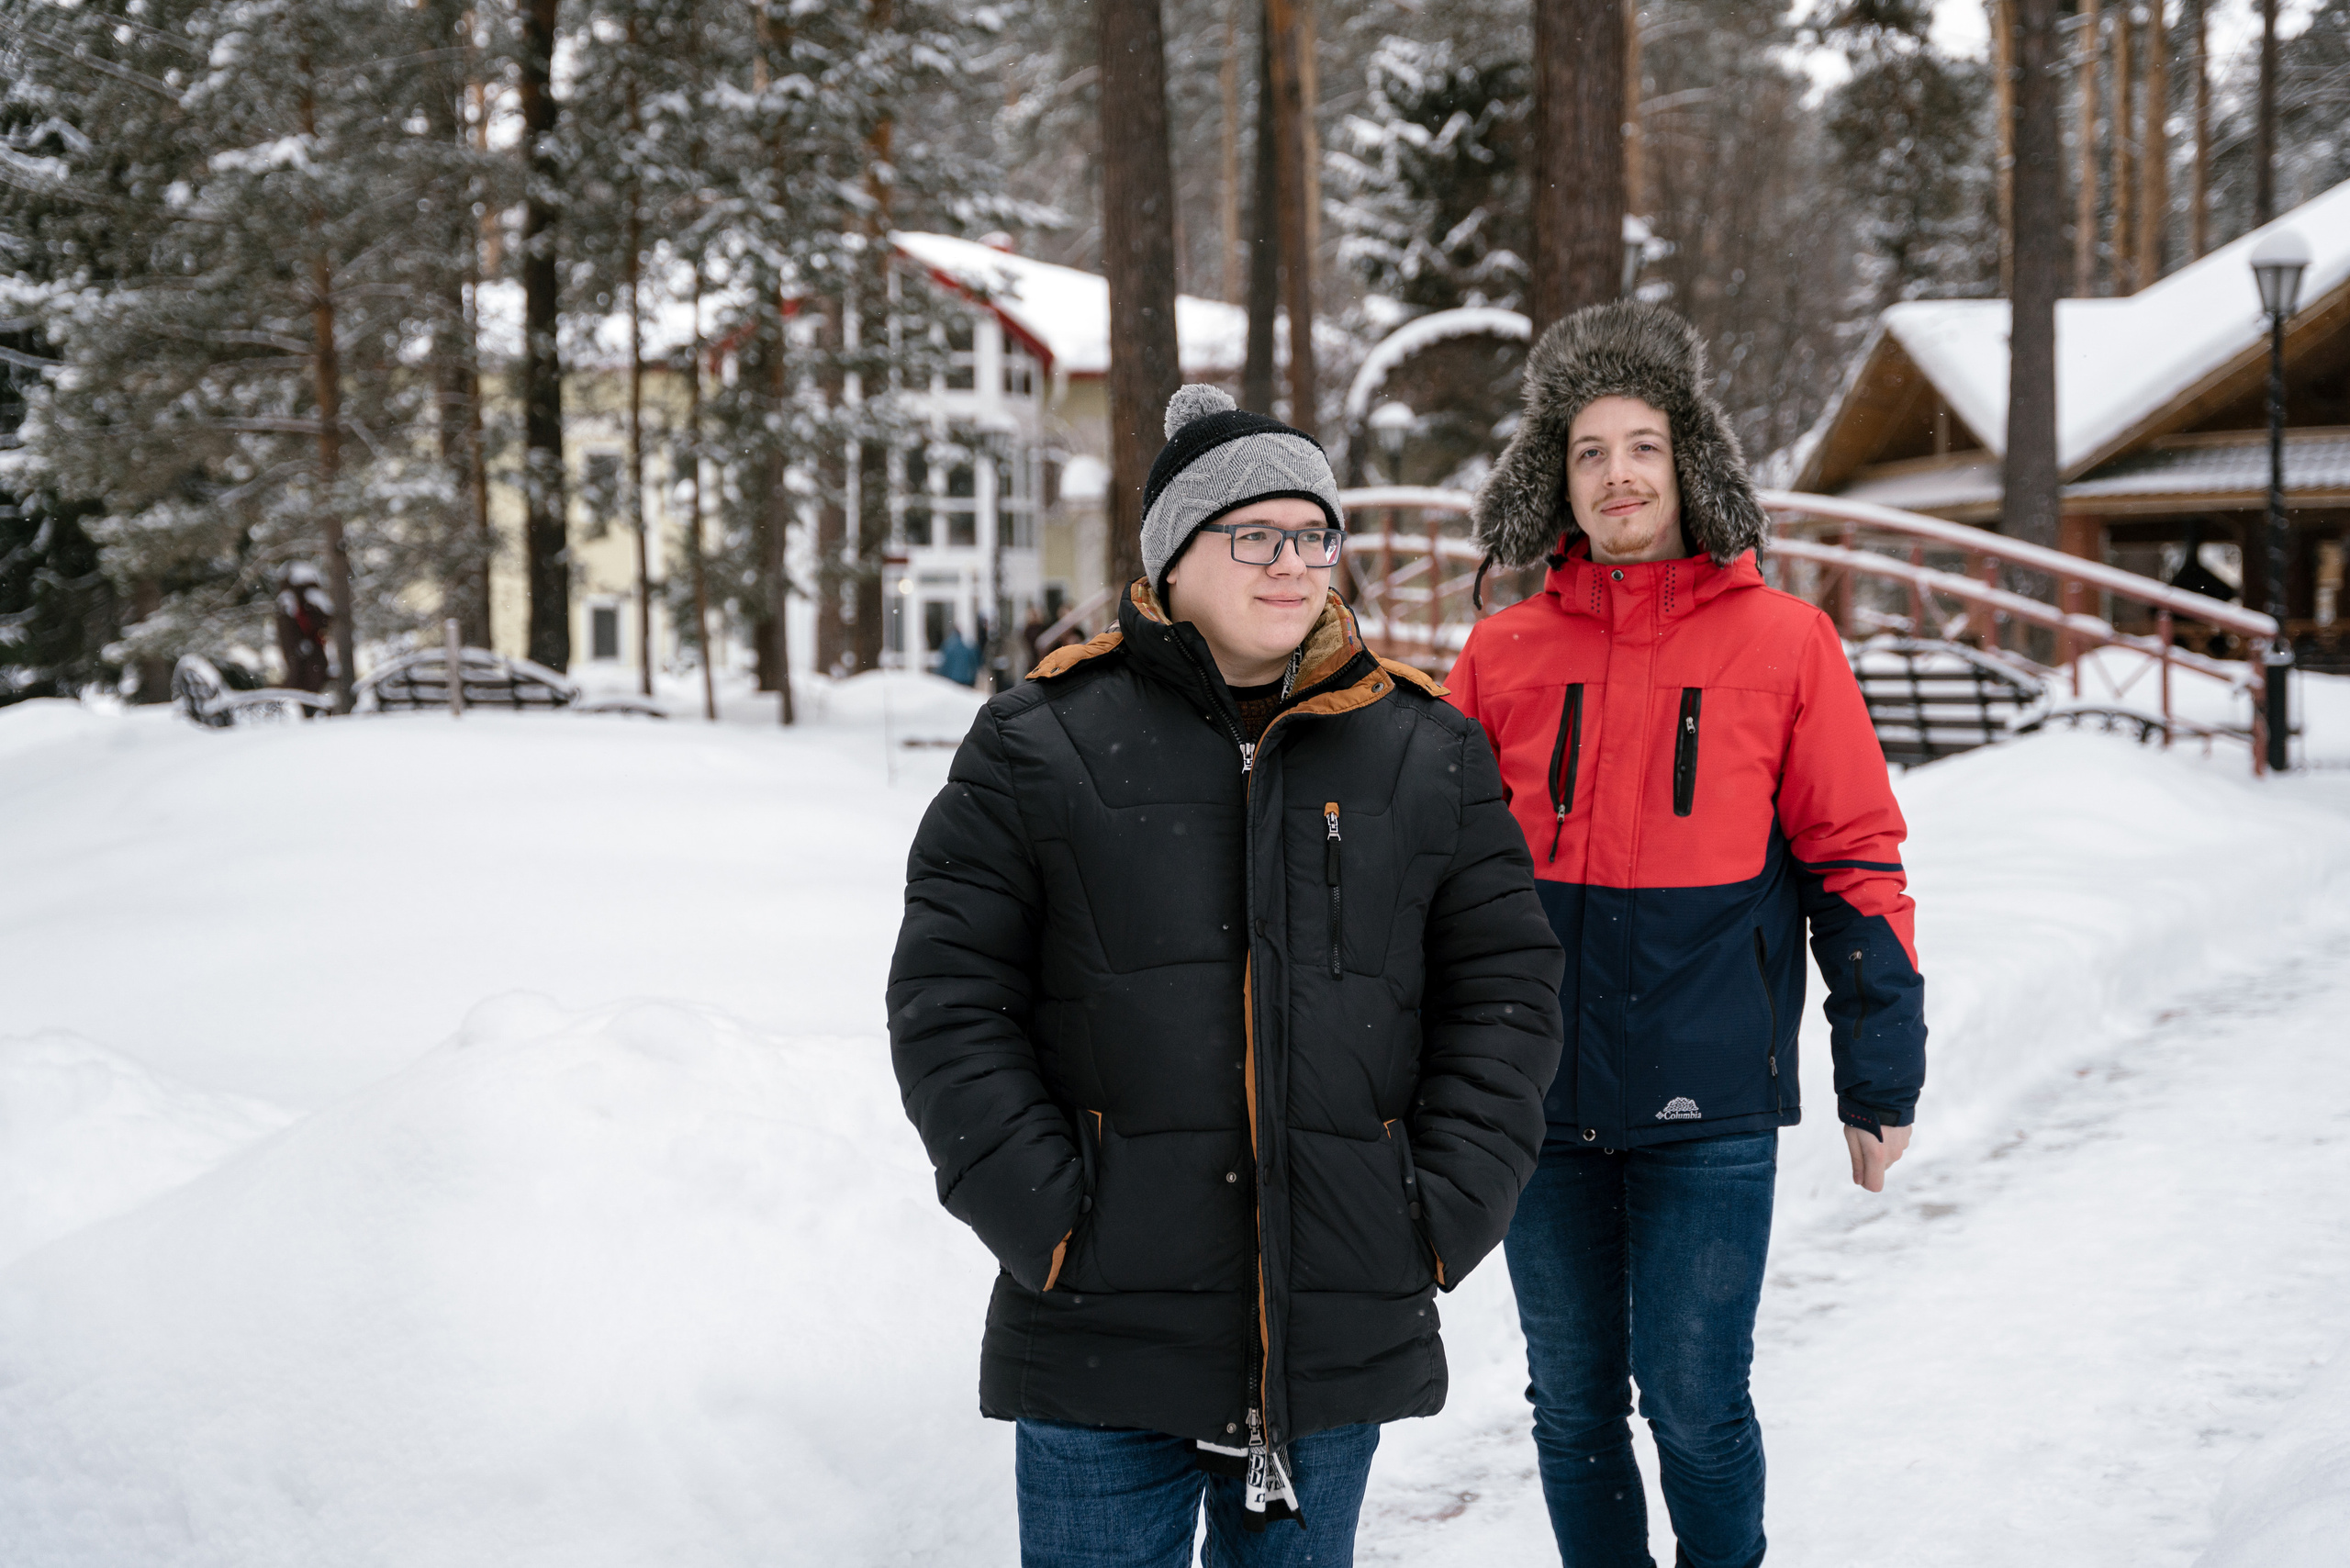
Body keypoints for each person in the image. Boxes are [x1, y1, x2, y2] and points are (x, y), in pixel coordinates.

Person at [888, 383, 1565, 1568]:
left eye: (1313, 534)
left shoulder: (1426, 751)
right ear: (1173, 556)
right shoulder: (1037, 742)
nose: (1293, 562)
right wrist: (1052, 1220)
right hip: (1102, 1334)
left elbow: (1505, 996)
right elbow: (948, 1002)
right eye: (1255, 534)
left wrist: (1435, 1215)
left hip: (1332, 1335)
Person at [1445, 301, 1929, 1568]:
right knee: (1570, 1406)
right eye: (1590, 449)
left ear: (1689, 462)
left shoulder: (1786, 645)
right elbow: (1431, 880)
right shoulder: (1498, 657)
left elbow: (1855, 858)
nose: (1617, 474)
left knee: (1697, 1405)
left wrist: (1882, 1070)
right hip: (1535, 1105)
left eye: (1643, 445)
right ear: (1557, 474)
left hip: (1706, 1100)